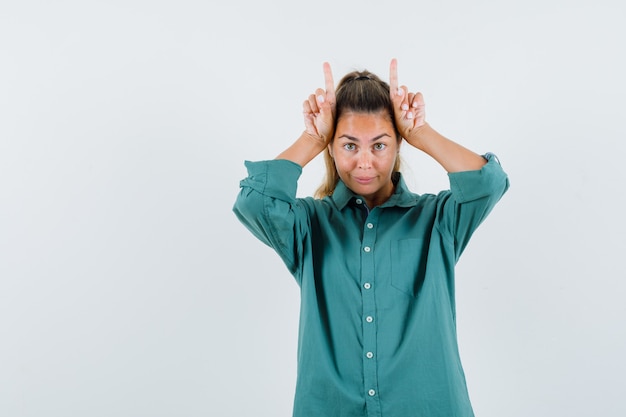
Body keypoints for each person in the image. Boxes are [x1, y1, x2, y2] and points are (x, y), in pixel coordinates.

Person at [233, 59, 509, 417]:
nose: (364, 162)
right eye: (349, 146)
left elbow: (489, 183)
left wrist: (422, 133)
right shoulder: (308, 224)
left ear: (398, 146)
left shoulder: (438, 219)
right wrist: (311, 138)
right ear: (331, 148)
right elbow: (253, 202)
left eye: (379, 145)